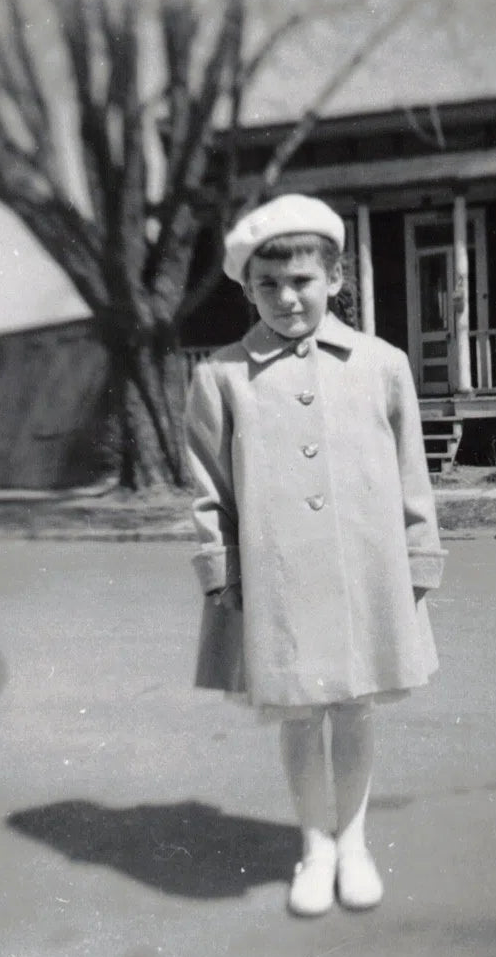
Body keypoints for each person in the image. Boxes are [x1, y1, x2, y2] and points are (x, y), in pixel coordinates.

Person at [185, 193, 446, 917]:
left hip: (366, 571)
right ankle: (315, 847)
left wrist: (420, 559)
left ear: (335, 277)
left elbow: (410, 471)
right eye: (267, 284)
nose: (287, 296)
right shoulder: (222, 377)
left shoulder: (383, 364)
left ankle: (354, 841)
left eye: (302, 279)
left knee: (357, 707)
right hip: (278, 579)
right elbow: (208, 488)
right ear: (247, 288)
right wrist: (222, 571)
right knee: (300, 713)